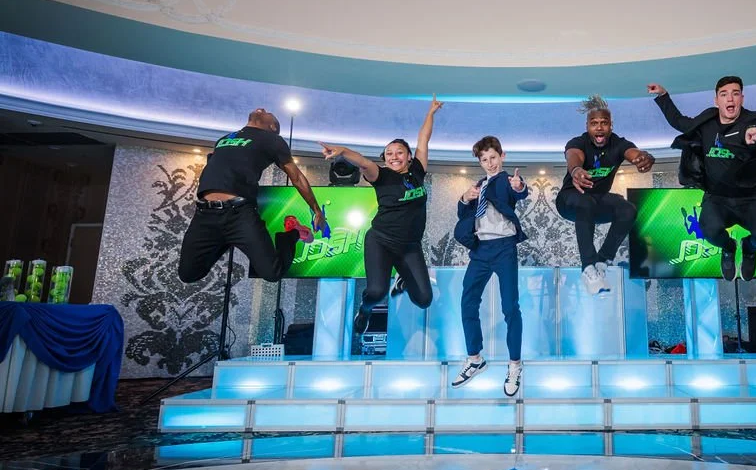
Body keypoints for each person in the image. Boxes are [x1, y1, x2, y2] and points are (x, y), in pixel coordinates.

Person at [320, 96, 443, 337]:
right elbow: (364, 162)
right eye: (389, 153)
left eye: (399, 152)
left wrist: (430, 113)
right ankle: (364, 311)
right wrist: (343, 151)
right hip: (381, 241)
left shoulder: (418, 171)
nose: (394, 156)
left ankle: (403, 279)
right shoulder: (381, 176)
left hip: (409, 246)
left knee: (424, 299)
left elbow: (423, 139)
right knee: (377, 293)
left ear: (409, 156)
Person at [648, 76, 756, 281]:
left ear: (741, 99)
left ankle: (748, 248)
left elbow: (755, 133)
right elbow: (681, 123)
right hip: (717, 198)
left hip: (750, 197)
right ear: (716, 100)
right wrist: (663, 96)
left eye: (735, 94)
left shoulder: (752, 119)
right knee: (709, 232)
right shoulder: (706, 122)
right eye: (724, 94)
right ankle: (729, 248)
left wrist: (754, 137)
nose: (730, 99)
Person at [178, 108, 325, 284]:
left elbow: (297, 177)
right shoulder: (225, 138)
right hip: (205, 214)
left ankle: (291, 235)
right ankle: (225, 239)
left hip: (239, 213)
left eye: (269, 113)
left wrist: (316, 209)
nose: (263, 109)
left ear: (272, 126)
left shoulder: (272, 140)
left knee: (272, 273)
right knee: (188, 274)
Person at [451, 136, 529, 397]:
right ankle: (475, 358)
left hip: (504, 248)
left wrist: (520, 186)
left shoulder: (506, 182)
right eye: (484, 160)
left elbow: (519, 191)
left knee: (510, 307)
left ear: (502, 156)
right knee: (468, 302)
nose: (489, 163)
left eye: (493, 157)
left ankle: (515, 365)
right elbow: (464, 215)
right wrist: (464, 197)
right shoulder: (478, 185)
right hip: (480, 249)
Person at [556, 95, 654, 294]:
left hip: (596, 203)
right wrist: (576, 171)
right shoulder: (578, 142)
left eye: (604, 123)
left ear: (611, 125)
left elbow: (634, 153)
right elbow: (573, 156)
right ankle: (588, 267)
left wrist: (645, 157)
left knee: (628, 209)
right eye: (594, 124)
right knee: (585, 202)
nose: (599, 128)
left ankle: (603, 260)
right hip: (570, 200)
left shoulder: (618, 144)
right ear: (587, 126)